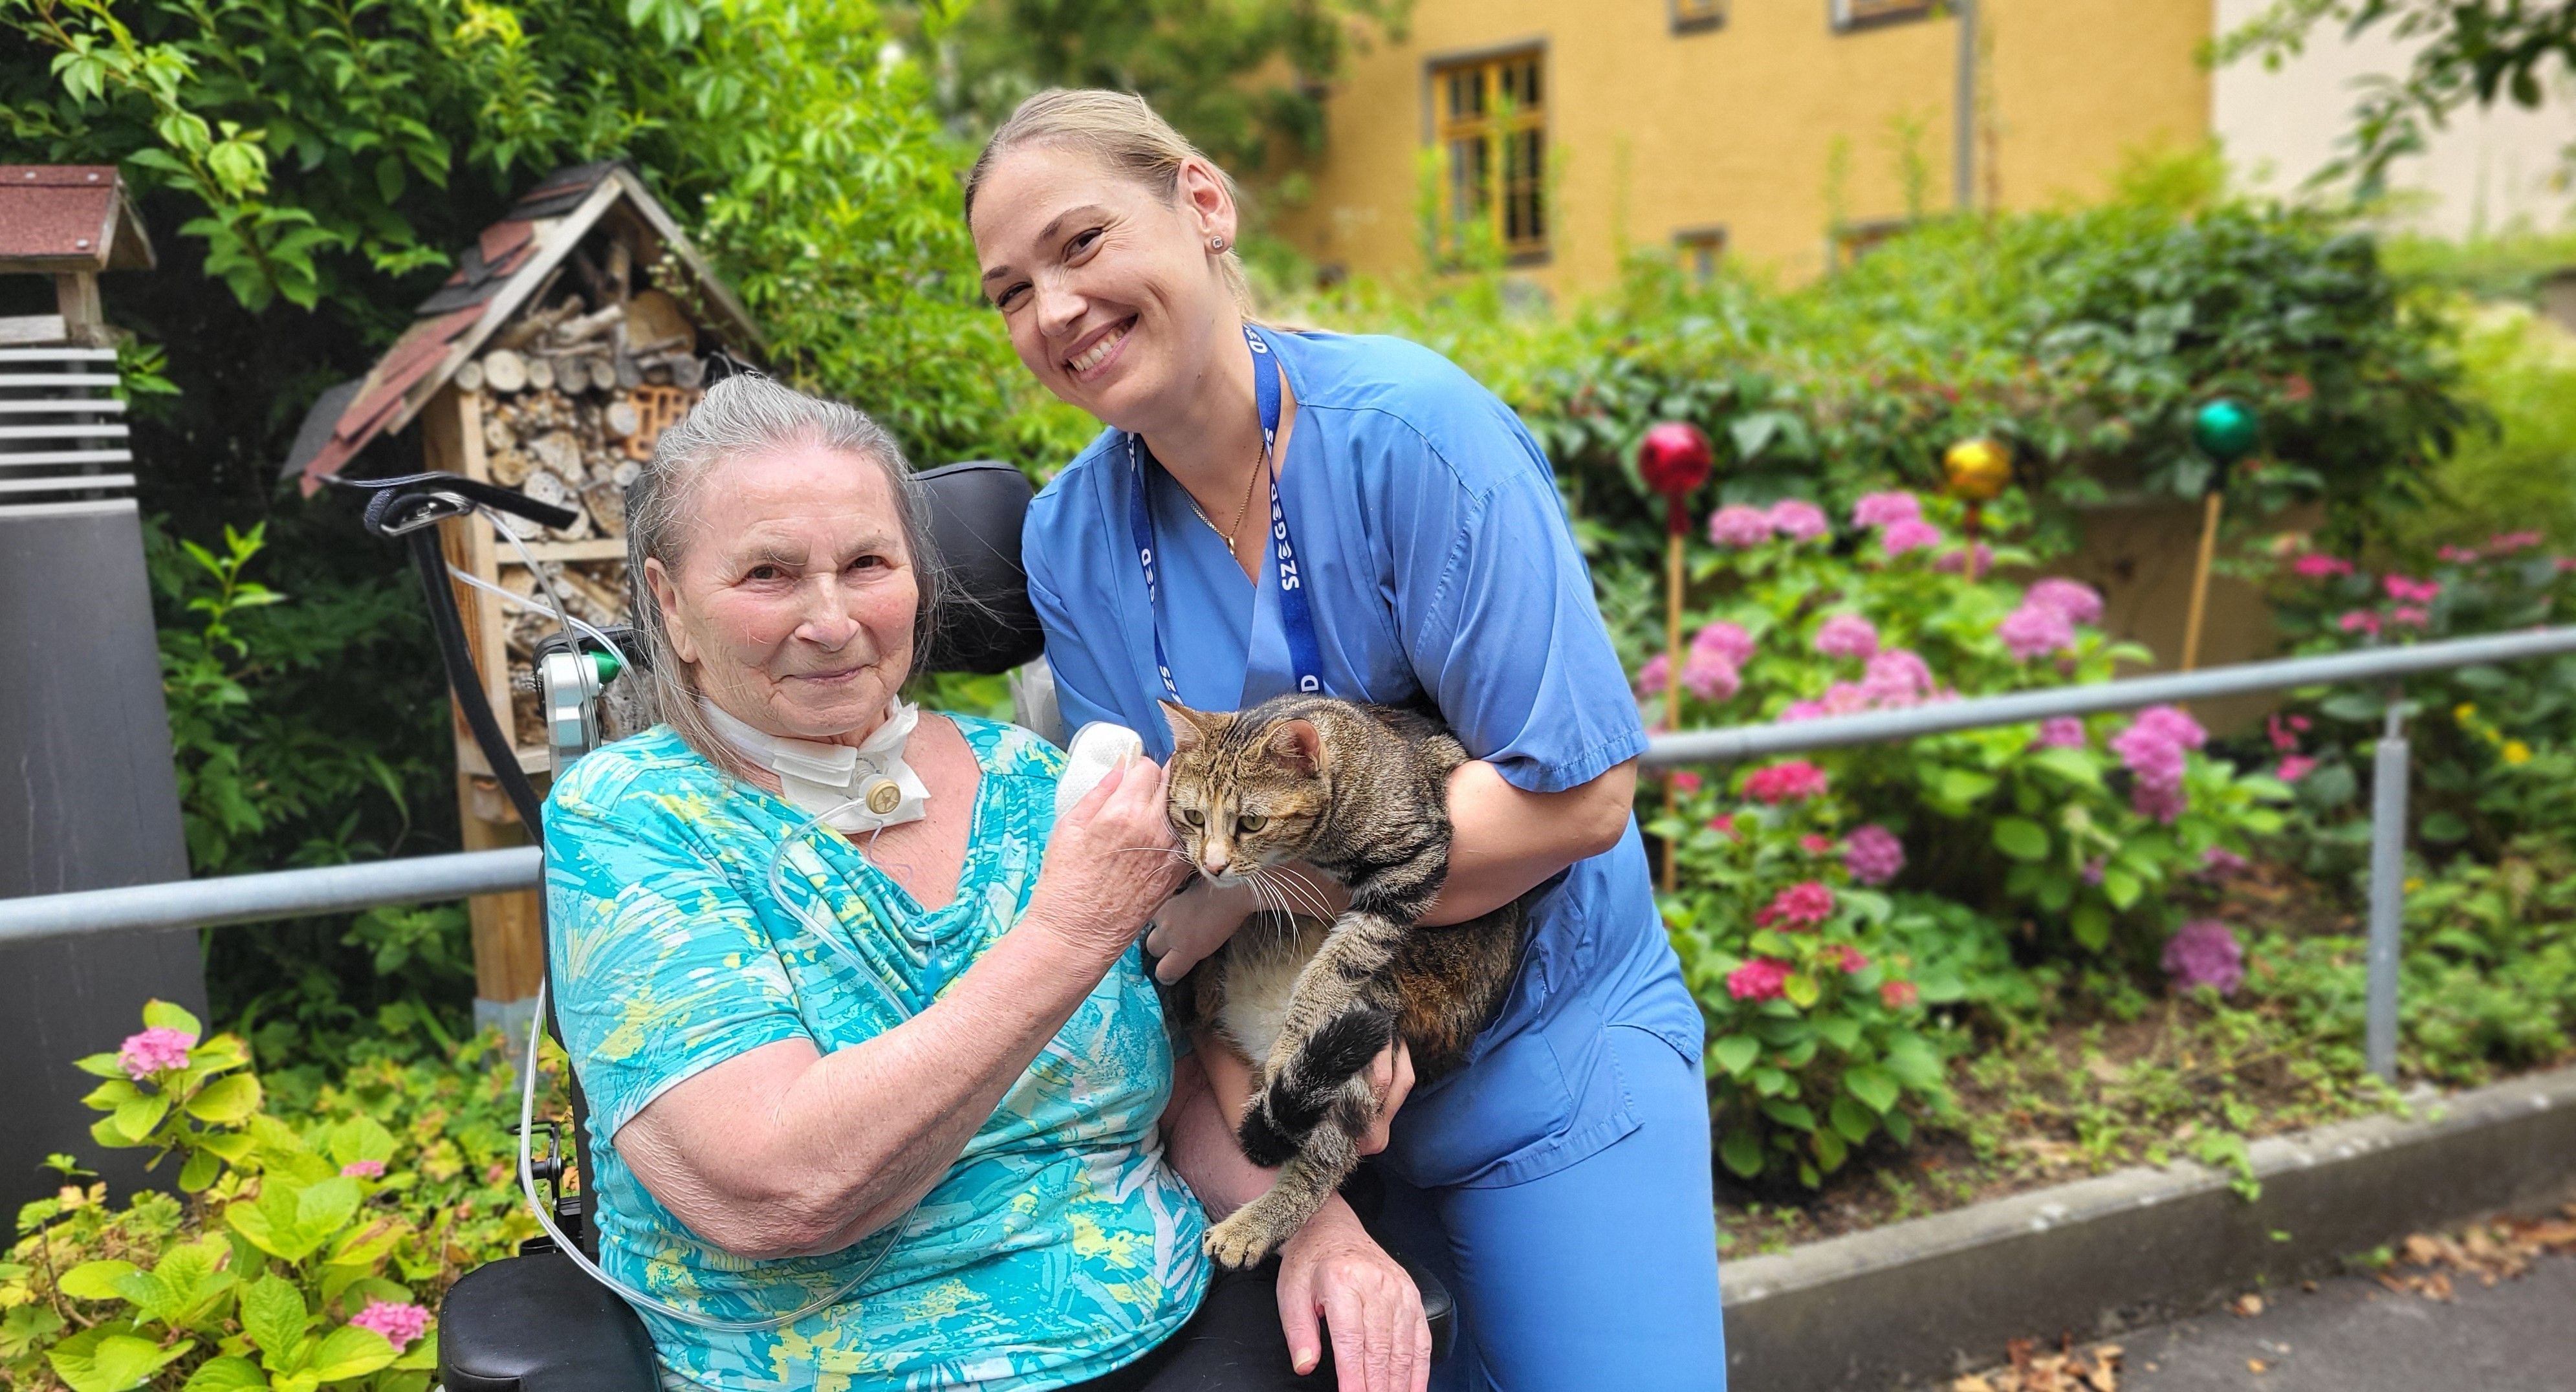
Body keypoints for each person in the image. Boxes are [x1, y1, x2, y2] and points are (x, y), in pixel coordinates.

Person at [967, 90, 1729, 1392]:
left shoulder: (1411, 435)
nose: (1052, 309)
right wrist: (1271, 1107)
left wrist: (1269, 905)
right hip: (1287, 1085)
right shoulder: (1072, 538)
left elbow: (1579, 798)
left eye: (1081, 242)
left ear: (1202, 204)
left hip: (1542, 1054)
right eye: (1009, 289)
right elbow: (1155, 889)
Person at [542, 375, 1432, 1392]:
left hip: (1167, 1331)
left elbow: (1174, 1084)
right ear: (671, 602)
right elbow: (780, 1191)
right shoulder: (633, 817)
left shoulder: (1034, 780)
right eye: (768, 575)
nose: (831, 620)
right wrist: (1067, 931)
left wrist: (1315, 1225)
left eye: (868, 563)